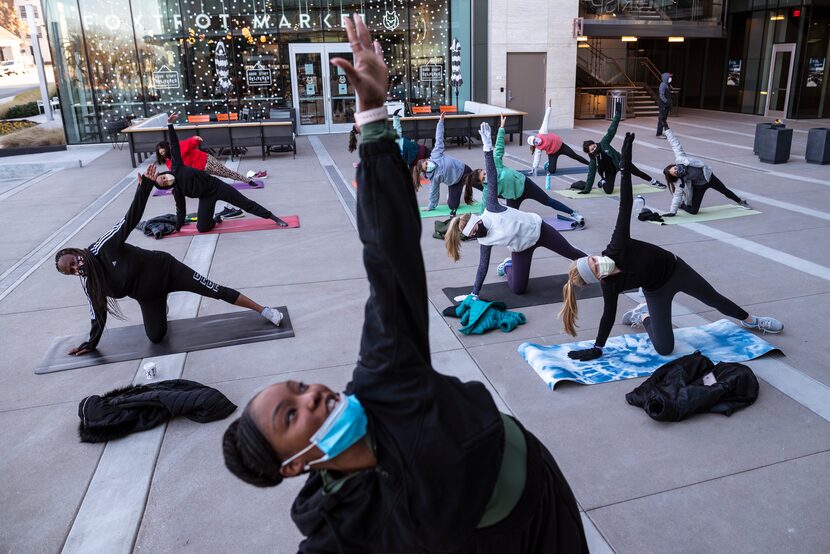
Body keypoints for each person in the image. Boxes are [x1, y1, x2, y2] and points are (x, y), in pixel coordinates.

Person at [222, 17, 588, 553]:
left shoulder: (385, 376)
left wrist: (373, 120)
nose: (314, 395)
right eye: (292, 414)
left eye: (299, 388)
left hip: (544, 491)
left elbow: (389, 257)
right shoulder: (348, 536)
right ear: (294, 465)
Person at [560, 132, 782, 361]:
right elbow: (608, 315)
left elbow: (624, 205)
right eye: (595, 267)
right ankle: (645, 317)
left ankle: (752, 321)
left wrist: (625, 166)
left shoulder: (617, 247)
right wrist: (598, 348)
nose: (598, 261)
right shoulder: (609, 286)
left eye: (593, 259)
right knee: (665, 348)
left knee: (715, 299)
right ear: (597, 278)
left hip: (677, 269)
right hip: (656, 291)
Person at [55, 165, 284, 356]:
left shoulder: (103, 247)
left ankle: (264, 310)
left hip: (167, 270)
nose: (77, 268)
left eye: (74, 262)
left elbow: (130, 219)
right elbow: (97, 314)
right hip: (149, 295)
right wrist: (90, 344)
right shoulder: (89, 283)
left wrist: (144, 187)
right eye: (71, 271)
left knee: (214, 290)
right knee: (156, 337)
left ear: (77, 253)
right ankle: (161, 304)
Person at [445, 122, 587, 296]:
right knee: (518, 289)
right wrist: (474, 293)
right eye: (473, 235)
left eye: (475, 229)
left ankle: (601, 267)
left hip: (539, 230)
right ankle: (507, 267)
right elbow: (482, 267)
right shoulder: (484, 240)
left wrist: (487, 145)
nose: (476, 234)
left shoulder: (492, 208)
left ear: (478, 220)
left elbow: (492, 171)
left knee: (572, 253)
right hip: (521, 248)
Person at [155, 113, 288, 232]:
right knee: (202, 228)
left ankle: (273, 217)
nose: (166, 180)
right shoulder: (177, 191)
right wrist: (177, 228)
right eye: (164, 183)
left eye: (164, 178)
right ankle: (216, 219)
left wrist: (170, 124)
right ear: (165, 187)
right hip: (205, 197)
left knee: (244, 203)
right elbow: (181, 210)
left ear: (164, 174)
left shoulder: (176, 166)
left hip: (216, 186)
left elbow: (175, 144)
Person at [473, 114, 585, 226]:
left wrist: (501, 128)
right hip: (513, 197)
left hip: (525, 184)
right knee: (512, 219)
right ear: (482, 182)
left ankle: (573, 213)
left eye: (484, 172)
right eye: (484, 177)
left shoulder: (495, 165)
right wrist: (479, 222)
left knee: (548, 201)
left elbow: (499, 147)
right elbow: (483, 206)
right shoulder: (487, 190)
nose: (486, 174)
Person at [661, 125, 751, 216]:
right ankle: (682, 205)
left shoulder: (681, 159)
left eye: (675, 168)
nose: (676, 171)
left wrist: (667, 129)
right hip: (699, 187)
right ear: (675, 176)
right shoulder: (680, 181)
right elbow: (677, 195)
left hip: (709, 177)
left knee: (725, 191)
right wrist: (673, 211)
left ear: (675, 165)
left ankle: (741, 202)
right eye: (675, 173)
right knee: (693, 211)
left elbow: (675, 144)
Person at [581, 103, 665, 194]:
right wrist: (587, 190)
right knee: (608, 191)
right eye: (592, 149)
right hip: (609, 171)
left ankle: (654, 182)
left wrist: (617, 114)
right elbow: (591, 175)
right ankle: (603, 182)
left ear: (595, 143)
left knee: (636, 171)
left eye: (594, 146)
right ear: (590, 153)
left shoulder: (603, 143)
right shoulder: (593, 160)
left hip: (620, 162)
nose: (595, 148)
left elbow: (611, 130)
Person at [413, 112, 476, 215]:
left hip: (463, 170)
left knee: (479, 182)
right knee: (453, 206)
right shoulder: (434, 178)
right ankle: (452, 195)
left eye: (427, 163)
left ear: (427, 160)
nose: (429, 166)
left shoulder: (436, 154)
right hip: (454, 183)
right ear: (425, 171)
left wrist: (441, 122)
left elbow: (439, 138)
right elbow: (434, 192)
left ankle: (495, 192)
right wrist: (430, 206)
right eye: (426, 168)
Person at [348, 109, 431, 169]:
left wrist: (395, 117)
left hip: (407, 147)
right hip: (404, 152)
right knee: (425, 158)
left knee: (427, 155)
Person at [528, 106, 590, 175]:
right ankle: (550, 162)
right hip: (553, 153)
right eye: (534, 142)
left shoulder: (542, 132)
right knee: (551, 171)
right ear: (534, 145)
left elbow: (545, 120)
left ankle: (590, 164)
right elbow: (537, 158)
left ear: (535, 137)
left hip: (562, 147)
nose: (536, 141)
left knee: (574, 156)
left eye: (534, 139)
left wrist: (549, 107)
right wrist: (534, 168)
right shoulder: (538, 148)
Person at [656, 72, 672, 138]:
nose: (670, 78)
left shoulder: (667, 85)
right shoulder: (663, 85)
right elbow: (661, 95)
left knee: (663, 118)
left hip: (666, 105)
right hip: (663, 105)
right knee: (662, 119)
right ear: (666, 78)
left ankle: (662, 132)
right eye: (669, 77)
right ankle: (659, 134)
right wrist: (666, 101)